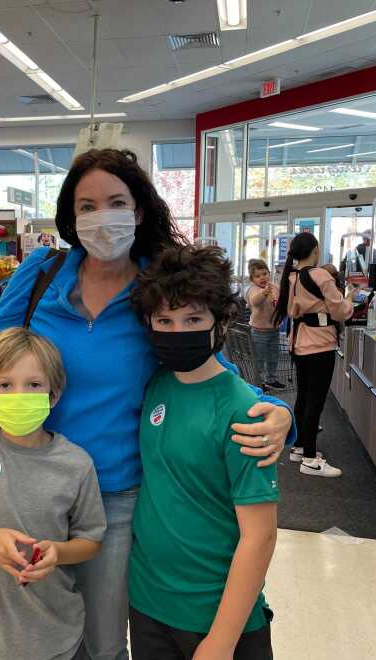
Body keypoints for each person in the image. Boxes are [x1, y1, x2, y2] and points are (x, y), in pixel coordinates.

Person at [0, 148, 295, 660]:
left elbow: (200, 359)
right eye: (86, 205)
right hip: (29, 481)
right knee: (27, 627)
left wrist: (272, 406)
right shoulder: (42, 272)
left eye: (114, 202)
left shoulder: (155, 284)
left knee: (103, 642)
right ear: (71, 214)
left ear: (138, 211)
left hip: (115, 494)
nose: (99, 216)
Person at [128, 245, 277, 660]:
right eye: (165, 321)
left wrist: (222, 641)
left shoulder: (243, 411)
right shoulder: (155, 383)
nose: (177, 332)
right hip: (148, 604)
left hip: (218, 616)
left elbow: (260, 535)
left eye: (193, 319)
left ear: (222, 321)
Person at [0, 327, 107, 660]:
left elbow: (91, 540)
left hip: (56, 635)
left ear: (53, 395)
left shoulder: (76, 464)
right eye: (5, 385)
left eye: (33, 385)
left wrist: (58, 552)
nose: (18, 395)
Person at [274, 233, 356, 478]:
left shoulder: (289, 277)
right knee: (315, 401)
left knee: (303, 397)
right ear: (315, 250)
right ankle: (310, 458)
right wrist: (350, 299)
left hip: (298, 343)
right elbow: (340, 311)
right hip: (320, 344)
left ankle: (299, 447)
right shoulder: (320, 275)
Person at [245, 259, 284, 391]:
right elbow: (255, 301)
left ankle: (271, 379)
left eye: (264, 274)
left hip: (274, 330)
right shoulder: (253, 289)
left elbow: (282, 298)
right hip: (259, 331)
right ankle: (258, 382)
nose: (262, 278)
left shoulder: (274, 287)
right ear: (252, 279)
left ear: (269, 273)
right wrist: (264, 292)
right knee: (259, 358)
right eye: (257, 276)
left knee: (273, 356)